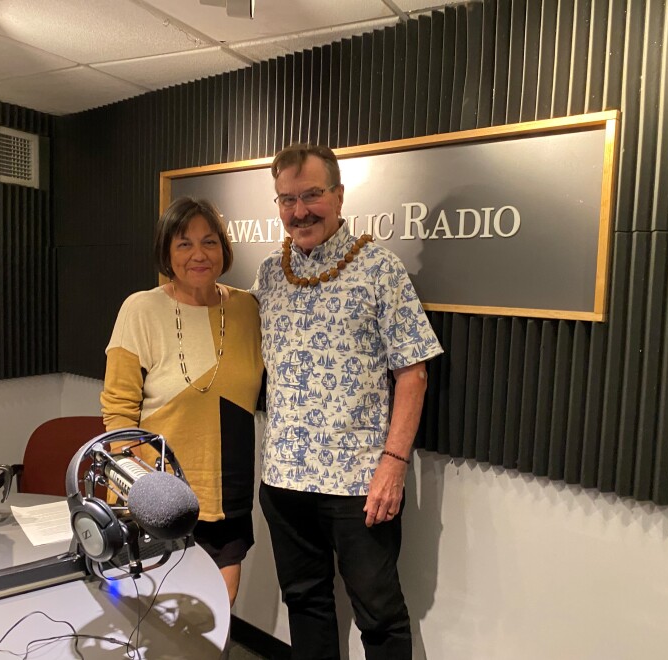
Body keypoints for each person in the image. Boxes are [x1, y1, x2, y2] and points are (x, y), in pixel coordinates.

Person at [251, 144, 443, 659]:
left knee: (379, 616)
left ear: (338, 195)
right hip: (283, 479)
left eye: (312, 195)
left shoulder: (380, 268)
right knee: (305, 603)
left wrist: (394, 464)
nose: (299, 211)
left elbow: (413, 373)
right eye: (286, 199)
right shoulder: (269, 274)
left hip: (360, 485)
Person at [101, 196, 263, 606]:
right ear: (166, 252)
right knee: (153, 614)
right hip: (158, 490)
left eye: (209, 242)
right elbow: (118, 410)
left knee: (216, 613)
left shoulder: (247, 309)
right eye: (184, 243)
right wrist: (142, 487)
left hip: (226, 489)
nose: (198, 254)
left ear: (224, 249)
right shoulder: (141, 309)